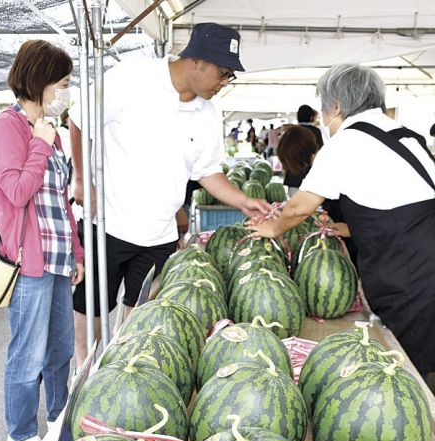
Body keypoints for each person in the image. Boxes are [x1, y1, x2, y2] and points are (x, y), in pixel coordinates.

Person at [70, 22, 270, 367]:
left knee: (141, 313)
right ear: (197, 61)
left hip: (160, 235)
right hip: (109, 222)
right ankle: (84, 372)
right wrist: (80, 177)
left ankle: (122, 372)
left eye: (230, 77)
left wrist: (244, 201)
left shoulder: (207, 114)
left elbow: (208, 172)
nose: (224, 84)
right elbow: (79, 119)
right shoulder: (131, 78)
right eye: (223, 74)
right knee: (93, 305)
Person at [246, 63, 435, 381]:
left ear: (335, 106)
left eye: (323, 111)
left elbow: (299, 208)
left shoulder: (346, 143)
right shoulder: (406, 135)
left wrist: (271, 227)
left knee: (406, 371)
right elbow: (402, 201)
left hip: (408, 278)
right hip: (424, 261)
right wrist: (354, 227)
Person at [0, 40, 84, 441]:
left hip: (59, 256)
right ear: (40, 82)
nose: (65, 92)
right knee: (28, 351)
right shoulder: (7, 128)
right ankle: (21, 433)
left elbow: (62, 200)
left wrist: (78, 252)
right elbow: (16, 191)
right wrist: (41, 143)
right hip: (29, 261)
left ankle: (59, 418)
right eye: (62, 83)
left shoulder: (54, 134)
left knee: (61, 348)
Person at [277, 124, 357, 265]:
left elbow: (297, 210)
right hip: (350, 230)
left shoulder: (325, 166)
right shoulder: (326, 159)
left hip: (359, 234)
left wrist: (273, 227)